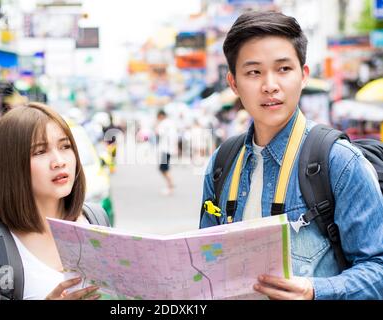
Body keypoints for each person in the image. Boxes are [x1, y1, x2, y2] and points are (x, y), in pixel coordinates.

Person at [200, 11, 383, 300]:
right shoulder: (222, 163)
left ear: (303, 76)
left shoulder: (339, 161)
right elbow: (205, 265)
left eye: (283, 69)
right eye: (254, 72)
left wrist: (315, 291)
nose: (270, 85)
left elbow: (378, 269)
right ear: (233, 83)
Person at [0, 102, 101, 300]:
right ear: (12, 166)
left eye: (65, 146)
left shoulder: (95, 222)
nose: (59, 161)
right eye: (39, 152)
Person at [155, 109, 177, 196]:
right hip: (169, 149)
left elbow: (158, 133)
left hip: (165, 149)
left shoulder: (163, 123)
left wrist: (156, 125)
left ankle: (170, 186)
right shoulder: (171, 123)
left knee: (163, 168)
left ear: (160, 116)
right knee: (163, 168)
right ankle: (170, 185)